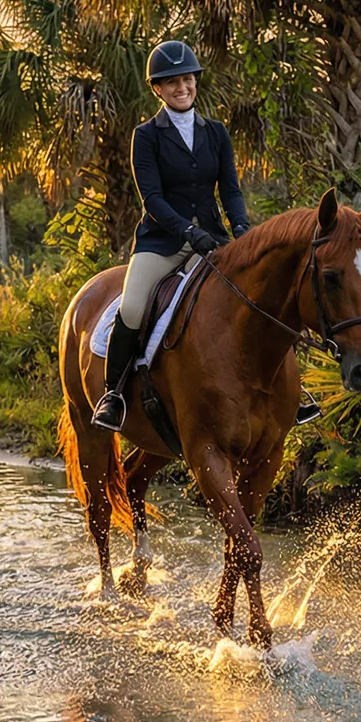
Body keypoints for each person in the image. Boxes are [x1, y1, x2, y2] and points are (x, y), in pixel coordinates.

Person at [92, 40, 249, 431]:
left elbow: (229, 189)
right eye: (172, 82)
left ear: (195, 81)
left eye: (187, 79)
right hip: (161, 242)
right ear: (157, 89)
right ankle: (113, 395)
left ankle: (281, 393)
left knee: (253, 294)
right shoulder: (146, 135)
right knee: (131, 308)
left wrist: (242, 229)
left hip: (211, 239)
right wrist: (187, 231)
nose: (182, 87)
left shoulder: (215, 132)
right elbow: (153, 198)